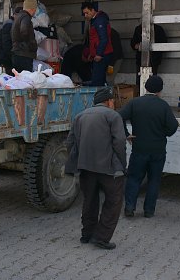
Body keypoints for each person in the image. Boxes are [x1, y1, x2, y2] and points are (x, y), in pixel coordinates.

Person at [65, 86, 127, 250]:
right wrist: (122, 163)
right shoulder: (113, 116)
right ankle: (101, 237)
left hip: (85, 167)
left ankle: (86, 234)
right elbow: (120, 142)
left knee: (89, 201)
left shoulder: (80, 116)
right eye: (112, 100)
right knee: (113, 202)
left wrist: (77, 160)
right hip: (108, 168)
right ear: (108, 101)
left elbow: (70, 142)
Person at [119, 75, 179, 218]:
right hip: (158, 150)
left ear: (145, 87)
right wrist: (162, 133)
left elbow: (118, 117)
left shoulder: (134, 103)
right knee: (154, 180)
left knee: (134, 178)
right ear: (160, 90)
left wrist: (126, 134)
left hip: (139, 148)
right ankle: (149, 211)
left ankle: (129, 207)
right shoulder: (163, 105)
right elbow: (173, 127)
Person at [81, 2, 113, 86]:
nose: (85, 15)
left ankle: (98, 98)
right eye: (84, 13)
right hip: (100, 54)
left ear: (93, 10)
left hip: (102, 55)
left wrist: (99, 54)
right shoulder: (95, 20)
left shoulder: (99, 21)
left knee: (97, 81)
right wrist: (92, 54)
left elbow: (103, 39)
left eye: (87, 13)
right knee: (100, 79)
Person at [11, 0, 38, 73]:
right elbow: (24, 31)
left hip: (17, 54)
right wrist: (30, 45)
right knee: (26, 81)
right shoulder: (26, 17)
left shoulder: (18, 17)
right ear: (32, 9)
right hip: (24, 55)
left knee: (19, 81)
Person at [0, 6, 21, 73]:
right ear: (14, 15)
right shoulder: (9, 25)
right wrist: (12, 57)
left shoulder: (12, 25)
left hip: (5, 57)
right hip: (3, 58)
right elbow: (6, 44)